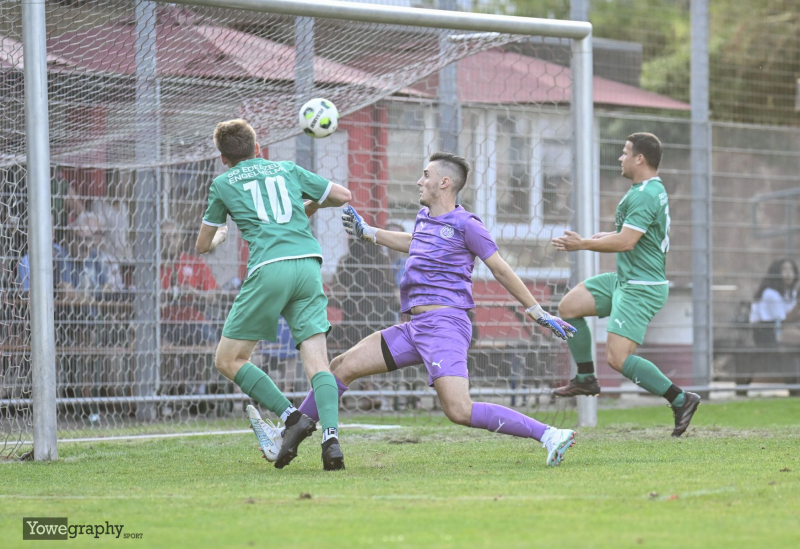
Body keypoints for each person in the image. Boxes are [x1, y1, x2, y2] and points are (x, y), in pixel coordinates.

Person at [296, 152, 578, 467]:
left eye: (426, 174)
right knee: (342, 365)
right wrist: (369, 232)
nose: (419, 181)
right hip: (415, 327)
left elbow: (500, 268)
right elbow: (412, 241)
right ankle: (289, 432)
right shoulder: (425, 219)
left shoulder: (467, 223)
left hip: (446, 325)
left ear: (444, 183)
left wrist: (538, 312)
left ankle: (551, 434)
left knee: (459, 410)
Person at [195, 119, 351, 470]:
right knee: (317, 362)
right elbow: (342, 196)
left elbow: (202, 244)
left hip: (269, 267)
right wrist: (307, 208)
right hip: (308, 265)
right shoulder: (287, 169)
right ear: (258, 148)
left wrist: (219, 237)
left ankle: (290, 417)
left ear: (223, 158)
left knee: (228, 359)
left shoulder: (222, 182)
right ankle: (331, 438)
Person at [551, 132, 700, 437]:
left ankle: (681, 399)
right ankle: (586, 378)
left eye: (624, 153)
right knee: (569, 307)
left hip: (641, 287)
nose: (620, 158)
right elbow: (630, 233)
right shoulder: (647, 189)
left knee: (618, 358)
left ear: (639, 159)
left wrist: (583, 246)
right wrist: (596, 237)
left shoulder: (644, 194)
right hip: (625, 279)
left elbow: (627, 242)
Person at [749, 258, 800, 347]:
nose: (788, 273)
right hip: (768, 333)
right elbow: (783, 321)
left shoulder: (790, 293)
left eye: (791, 269)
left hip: (783, 329)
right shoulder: (770, 293)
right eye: (784, 269)